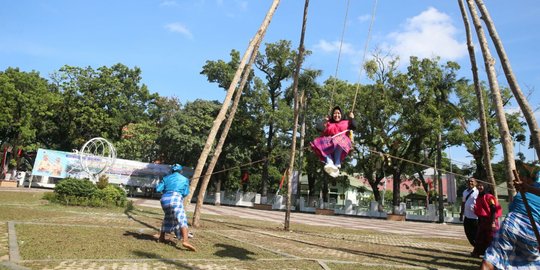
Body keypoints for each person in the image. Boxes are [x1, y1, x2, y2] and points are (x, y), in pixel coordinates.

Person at [481, 173, 540, 269]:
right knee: (530, 264)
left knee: (491, 260)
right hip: (532, 230)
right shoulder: (528, 185)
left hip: (513, 223)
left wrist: (528, 188)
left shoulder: (529, 185)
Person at [156, 164, 196, 251]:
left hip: (164, 199)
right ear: (181, 171)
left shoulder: (165, 178)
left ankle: (161, 237)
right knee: (182, 218)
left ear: (172, 171)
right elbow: (185, 193)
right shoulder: (185, 179)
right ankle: (185, 241)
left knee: (167, 216)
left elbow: (158, 189)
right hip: (176, 198)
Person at [310, 106, 356, 178]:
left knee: (340, 139)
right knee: (317, 142)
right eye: (334, 113)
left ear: (341, 114)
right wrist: (325, 120)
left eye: (338, 113)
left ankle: (337, 162)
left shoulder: (346, 123)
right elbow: (318, 128)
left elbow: (354, 126)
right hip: (329, 145)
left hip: (341, 145)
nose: (336, 115)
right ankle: (330, 163)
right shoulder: (329, 123)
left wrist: (352, 118)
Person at [472, 181, 502, 257]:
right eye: (478, 186)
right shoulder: (479, 197)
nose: (479, 187)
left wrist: (493, 222)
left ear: (485, 186)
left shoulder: (489, 197)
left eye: (481, 186)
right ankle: (478, 252)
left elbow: (493, 209)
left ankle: (493, 255)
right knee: (480, 237)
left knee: (491, 238)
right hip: (482, 221)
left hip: (490, 220)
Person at [460, 178, 479, 247]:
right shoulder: (465, 192)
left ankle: (477, 248)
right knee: (468, 233)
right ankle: (475, 246)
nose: (470, 182)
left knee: (476, 234)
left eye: (472, 181)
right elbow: (463, 203)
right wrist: (461, 214)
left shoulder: (477, 192)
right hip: (467, 216)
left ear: (475, 183)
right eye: (468, 181)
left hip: (475, 217)